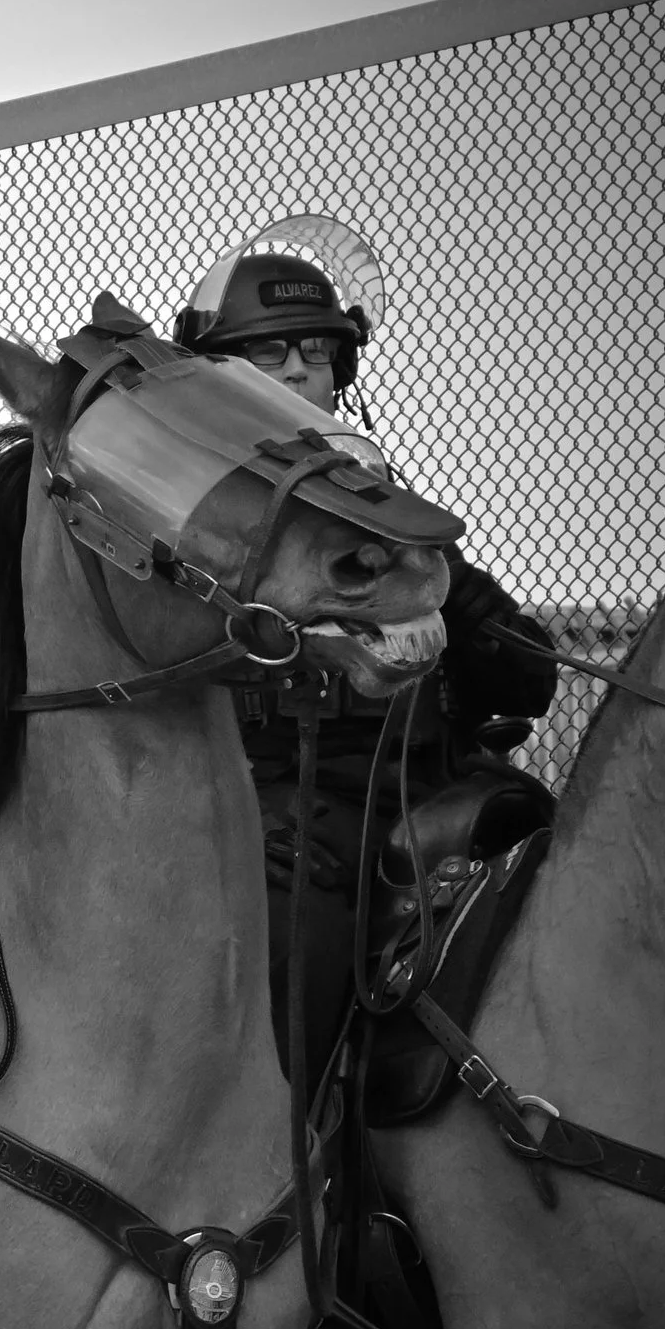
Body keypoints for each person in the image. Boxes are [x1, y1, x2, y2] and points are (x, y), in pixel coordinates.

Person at [175, 218, 558, 1087]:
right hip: (280, 811)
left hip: (431, 795)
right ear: (218, 379)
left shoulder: (404, 525)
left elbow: (529, 676)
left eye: (317, 350)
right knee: (289, 952)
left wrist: (439, 591)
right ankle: (286, 1182)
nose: (302, 370)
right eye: (271, 354)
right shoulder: (187, 526)